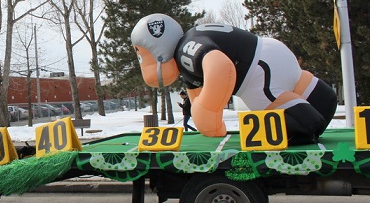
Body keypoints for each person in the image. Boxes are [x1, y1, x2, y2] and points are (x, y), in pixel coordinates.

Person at [130, 13, 337, 145]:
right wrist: (207, 120)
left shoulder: (186, 50)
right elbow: (197, 91)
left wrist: (207, 108)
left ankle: (306, 120)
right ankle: (317, 97)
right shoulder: (188, 53)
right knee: (315, 96)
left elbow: (220, 66)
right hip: (271, 52)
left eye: (141, 53)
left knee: (282, 110)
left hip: (257, 72)